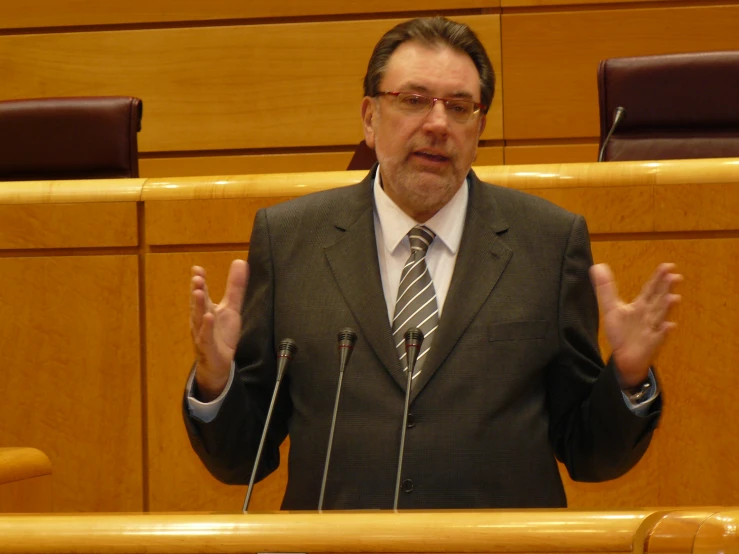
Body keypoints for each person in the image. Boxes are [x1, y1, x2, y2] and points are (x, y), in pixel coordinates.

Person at [183, 16, 681, 510]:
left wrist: (628, 379)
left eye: (460, 107)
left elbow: (587, 453)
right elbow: (242, 459)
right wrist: (215, 381)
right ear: (370, 118)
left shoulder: (548, 242)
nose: (438, 124)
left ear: (479, 128)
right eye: (413, 101)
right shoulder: (290, 239)